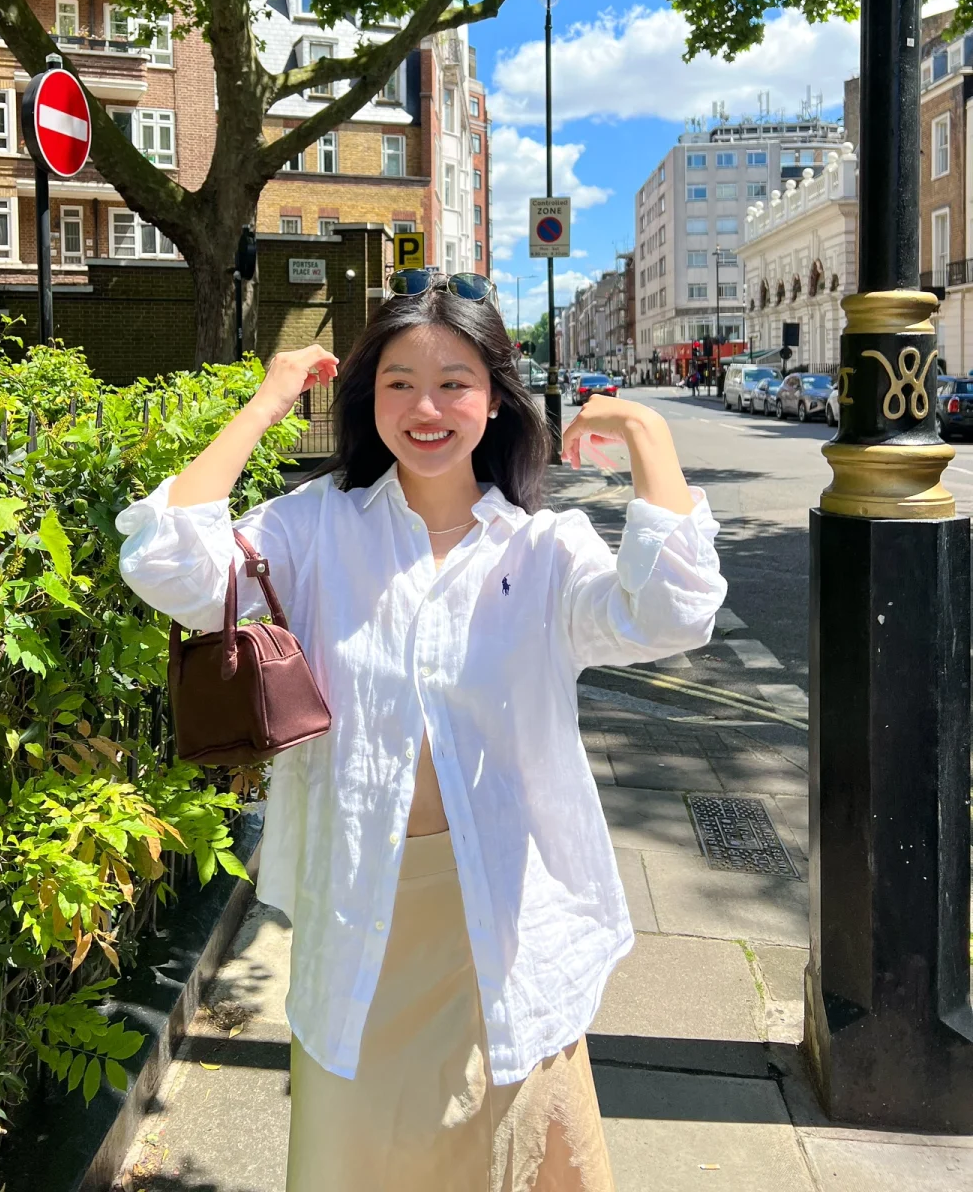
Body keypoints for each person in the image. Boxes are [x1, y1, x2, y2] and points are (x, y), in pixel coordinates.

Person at [116, 269, 726, 1192]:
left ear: (495, 400)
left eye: (454, 382)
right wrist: (266, 404)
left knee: (514, 1153)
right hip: (362, 907)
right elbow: (168, 564)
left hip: (507, 918)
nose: (426, 407)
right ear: (370, 396)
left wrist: (648, 434)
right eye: (399, 381)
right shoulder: (318, 528)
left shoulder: (542, 547)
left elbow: (672, 612)